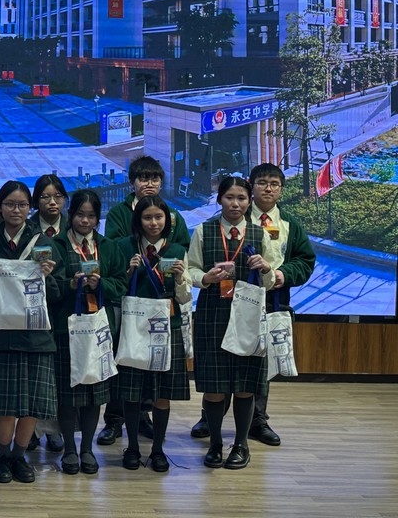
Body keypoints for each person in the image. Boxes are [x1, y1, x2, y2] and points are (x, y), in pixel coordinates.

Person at [186, 177, 279, 470]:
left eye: (241, 198)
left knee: (245, 385)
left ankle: (241, 444)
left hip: (248, 315)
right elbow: (190, 270)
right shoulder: (204, 231)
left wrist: (266, 268)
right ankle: (215, 444)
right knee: (215, 386)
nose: (235, 204)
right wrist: (205, 278)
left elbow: (270, 279)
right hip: (213, 313)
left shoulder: (260, 233)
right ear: (219, 200)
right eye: (229, 197)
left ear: (249, 201)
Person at [98, 155, 190, 446]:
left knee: (154, 367)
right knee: (125, 362)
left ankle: (142, 418)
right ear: (132, 182)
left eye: (154, 178)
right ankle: (114, 420)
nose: (149, 183)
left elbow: (181, 247)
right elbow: (115, 247)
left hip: (162, 304)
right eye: (143, 178)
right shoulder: (119, 213)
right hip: (130, 301)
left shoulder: (172, 215)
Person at [0, 180, 59, 484]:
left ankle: (19, 456)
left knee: (32, 404)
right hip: (0, 335)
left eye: (22, 205)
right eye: (10, 204)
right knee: (5, 404)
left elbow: (58, 293)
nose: (16, 210)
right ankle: (2, 456)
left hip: (36, 336)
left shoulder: (44, 244)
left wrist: (47, 277)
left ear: (30, 208)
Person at [51, 189, 126, 475]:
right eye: (80, 215)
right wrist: (70, 285)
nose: (85, 221)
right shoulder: (57, 244)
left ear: (98, 218)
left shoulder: (108, 247)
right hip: (66, 328)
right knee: (68, 391)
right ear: (70, 215)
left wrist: (101, 284)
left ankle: (86, 449)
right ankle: (69, 448)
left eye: (91, 216)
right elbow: (48, 285)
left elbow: (120, 284)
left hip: (98, 329)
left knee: (95, 391)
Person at [113, 196, 191, 472]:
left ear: (167, 220)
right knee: (132, 391)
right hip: (134, 326)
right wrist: (128, 271)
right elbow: (115, 289)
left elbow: (184, 298)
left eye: (159, 217)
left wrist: (180, 278)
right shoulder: (125, 247)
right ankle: (133, 447)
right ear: (138, 220)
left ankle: (158, 449)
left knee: (162, 392)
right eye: (147, 217)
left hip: (166, 328)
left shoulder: (177, 249)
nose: (154, 223)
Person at [246, 163, 316, 446]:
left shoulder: (289, 224)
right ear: (251, 186)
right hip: (236, 299)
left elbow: (305, 260)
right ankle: (210, 414)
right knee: (228, 356)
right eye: (262, 182)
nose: (268, 188)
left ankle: (257, 420)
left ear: (281, 189)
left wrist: (282, 275)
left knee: (264, 360)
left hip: (273, 299)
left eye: (274, 184)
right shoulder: (235, 217)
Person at [26, 173, 69, 454]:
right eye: (45, 197)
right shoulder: (27, 229)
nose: (52, 202)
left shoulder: (73, 228)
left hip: (63, 311)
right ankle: (30, 431)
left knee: (58, 377)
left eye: (57, 196)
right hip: (30, 312)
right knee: (33, 376)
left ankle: (54, 430)